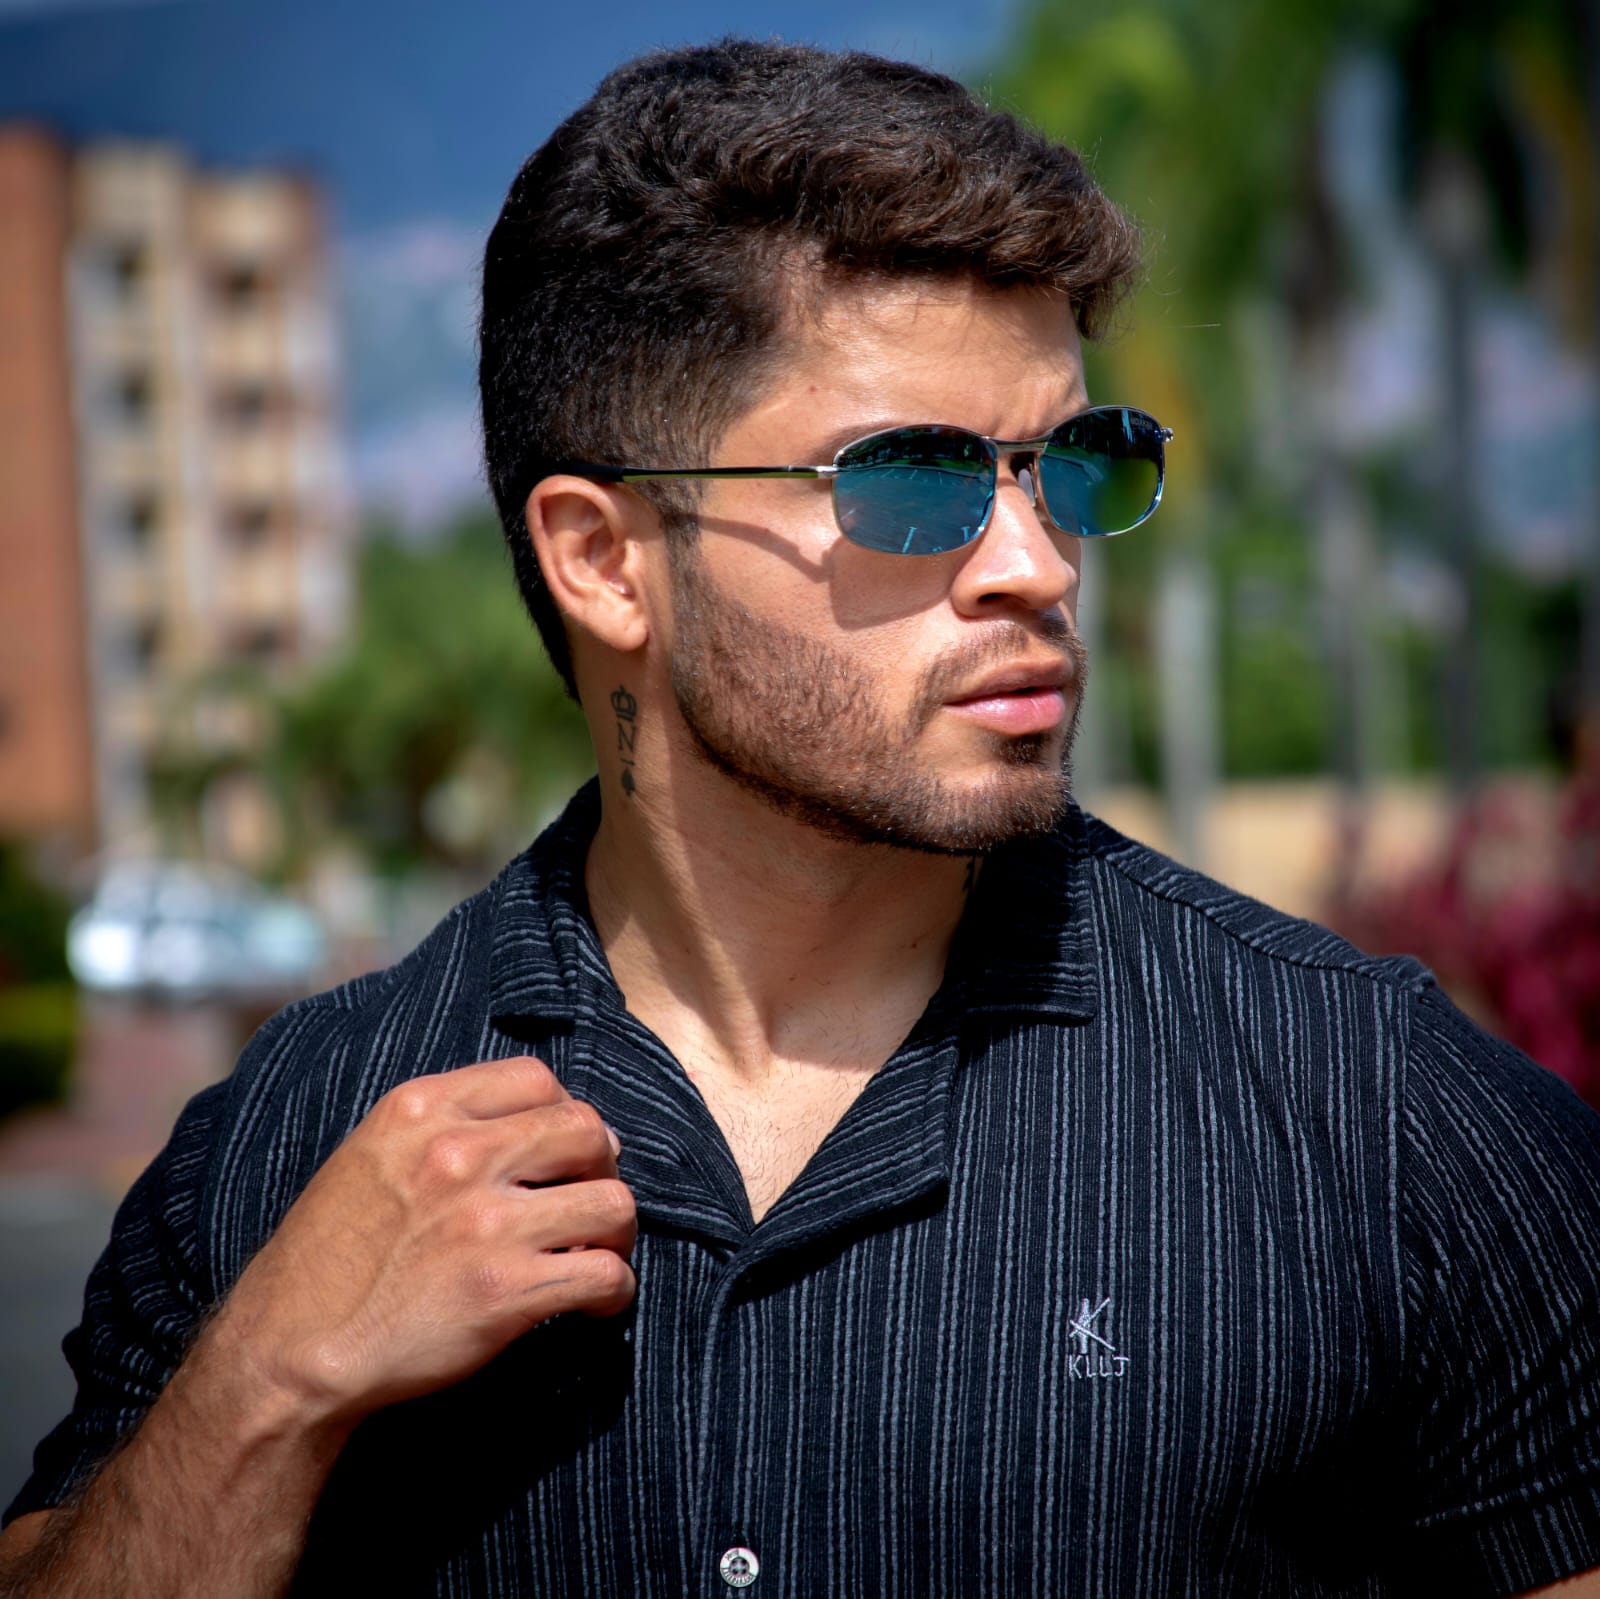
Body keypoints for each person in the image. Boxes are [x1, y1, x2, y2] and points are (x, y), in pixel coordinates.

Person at [3, 37, 1598, 1599]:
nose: (1036, 564)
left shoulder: (1381, 1122)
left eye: (1076, 464)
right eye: (913, 480)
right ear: (605, 560)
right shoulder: (292, 1149)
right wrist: (270, 1390)